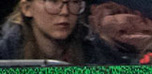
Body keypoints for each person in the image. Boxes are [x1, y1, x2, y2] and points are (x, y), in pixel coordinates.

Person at [0, 0, 128, 61]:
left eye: (74, 2)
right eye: (53, 1)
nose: (65, 12)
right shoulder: (5, 55)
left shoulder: (98, 54)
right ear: (27, 8)